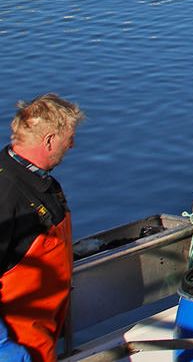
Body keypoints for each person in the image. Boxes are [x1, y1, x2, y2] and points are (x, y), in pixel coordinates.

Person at [1, 95, 83, 362]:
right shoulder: (7, 196)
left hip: (45, 332)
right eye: (68, 138)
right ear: (49, 140)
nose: (72, 145)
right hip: (20, 341)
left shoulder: (41, 183)